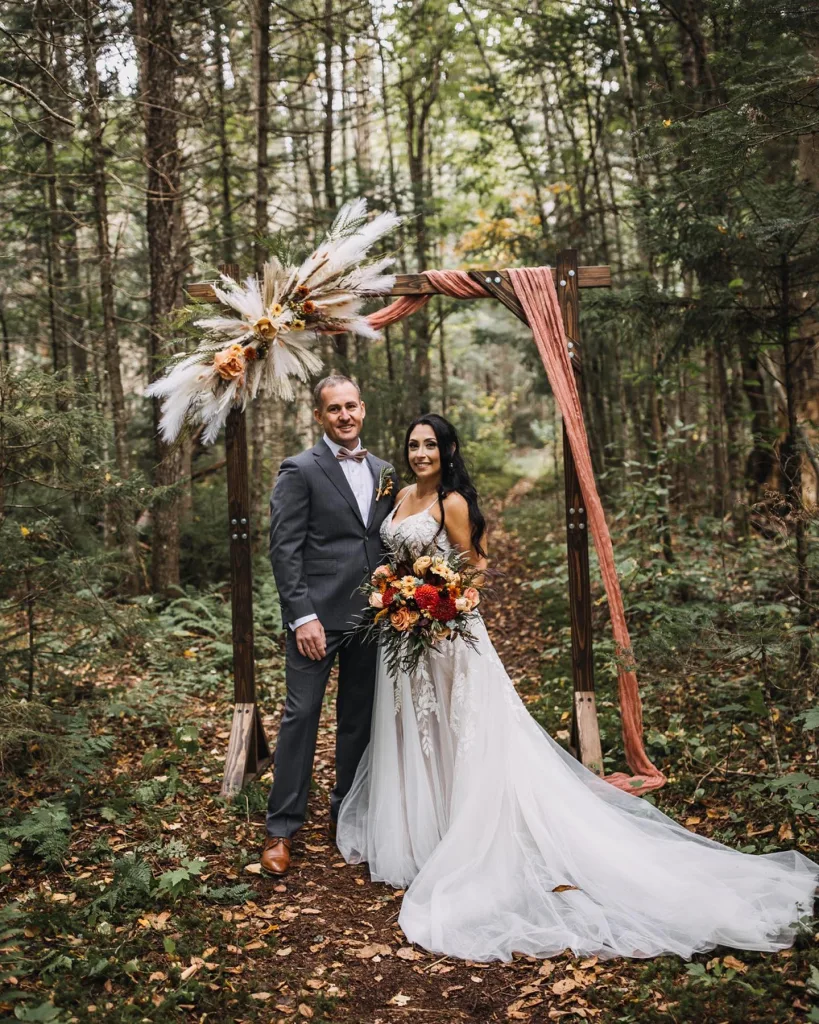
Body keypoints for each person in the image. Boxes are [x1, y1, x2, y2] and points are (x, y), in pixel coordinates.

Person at [336, 413, 819, 962]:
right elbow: (395, 557)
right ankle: (432, 832)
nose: (421, 452)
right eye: (414, 444)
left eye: (431, 445)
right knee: (422, 733)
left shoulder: (452, 502)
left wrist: (440, 598)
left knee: (463, 732)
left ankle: (472, 836)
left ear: (447, 450)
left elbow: (476, 568)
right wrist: (394, 590)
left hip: (449, 637)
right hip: (406, 637)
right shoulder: (399, 499)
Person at [260, 375, 397, 876]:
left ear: (363, 409)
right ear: (320, 416)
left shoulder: (384, 471)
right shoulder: (299, 469)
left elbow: (384, 541)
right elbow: (284, 549)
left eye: (351, 406)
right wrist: (303, 616)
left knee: (359, 718)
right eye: (333, 409)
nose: (344, 415)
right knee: (301, 717)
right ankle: (281, 828)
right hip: (315, 621)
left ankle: (348, 812)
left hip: (371, 618)